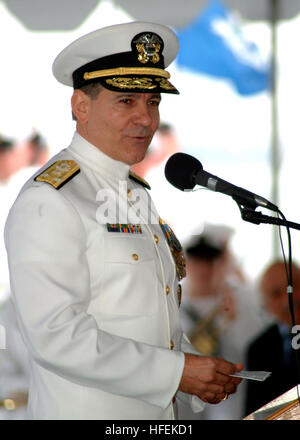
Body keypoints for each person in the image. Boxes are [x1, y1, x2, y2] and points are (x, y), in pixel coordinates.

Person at [4, 21, 242, 420]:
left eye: (152, 102)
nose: (146, 119)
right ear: (81, 105)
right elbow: (56, 337)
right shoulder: (51, 199)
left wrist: (198, 373)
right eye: (126, 102)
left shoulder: (134, 192)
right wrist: (178, 373)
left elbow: (147, 320)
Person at [178, 223, 269, 419]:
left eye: (211, 259)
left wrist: (233, 321)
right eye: (197, 259)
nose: (204, 268)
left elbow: (257, 350)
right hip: (186, 406)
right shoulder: (173, 299)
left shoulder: (242, 296)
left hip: (233, 403)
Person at [244, 260, 300, 416]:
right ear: (266, 304)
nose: (288, 299)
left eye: (294, 285)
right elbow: (254, 413)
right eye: (276, 294)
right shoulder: (257, 349)